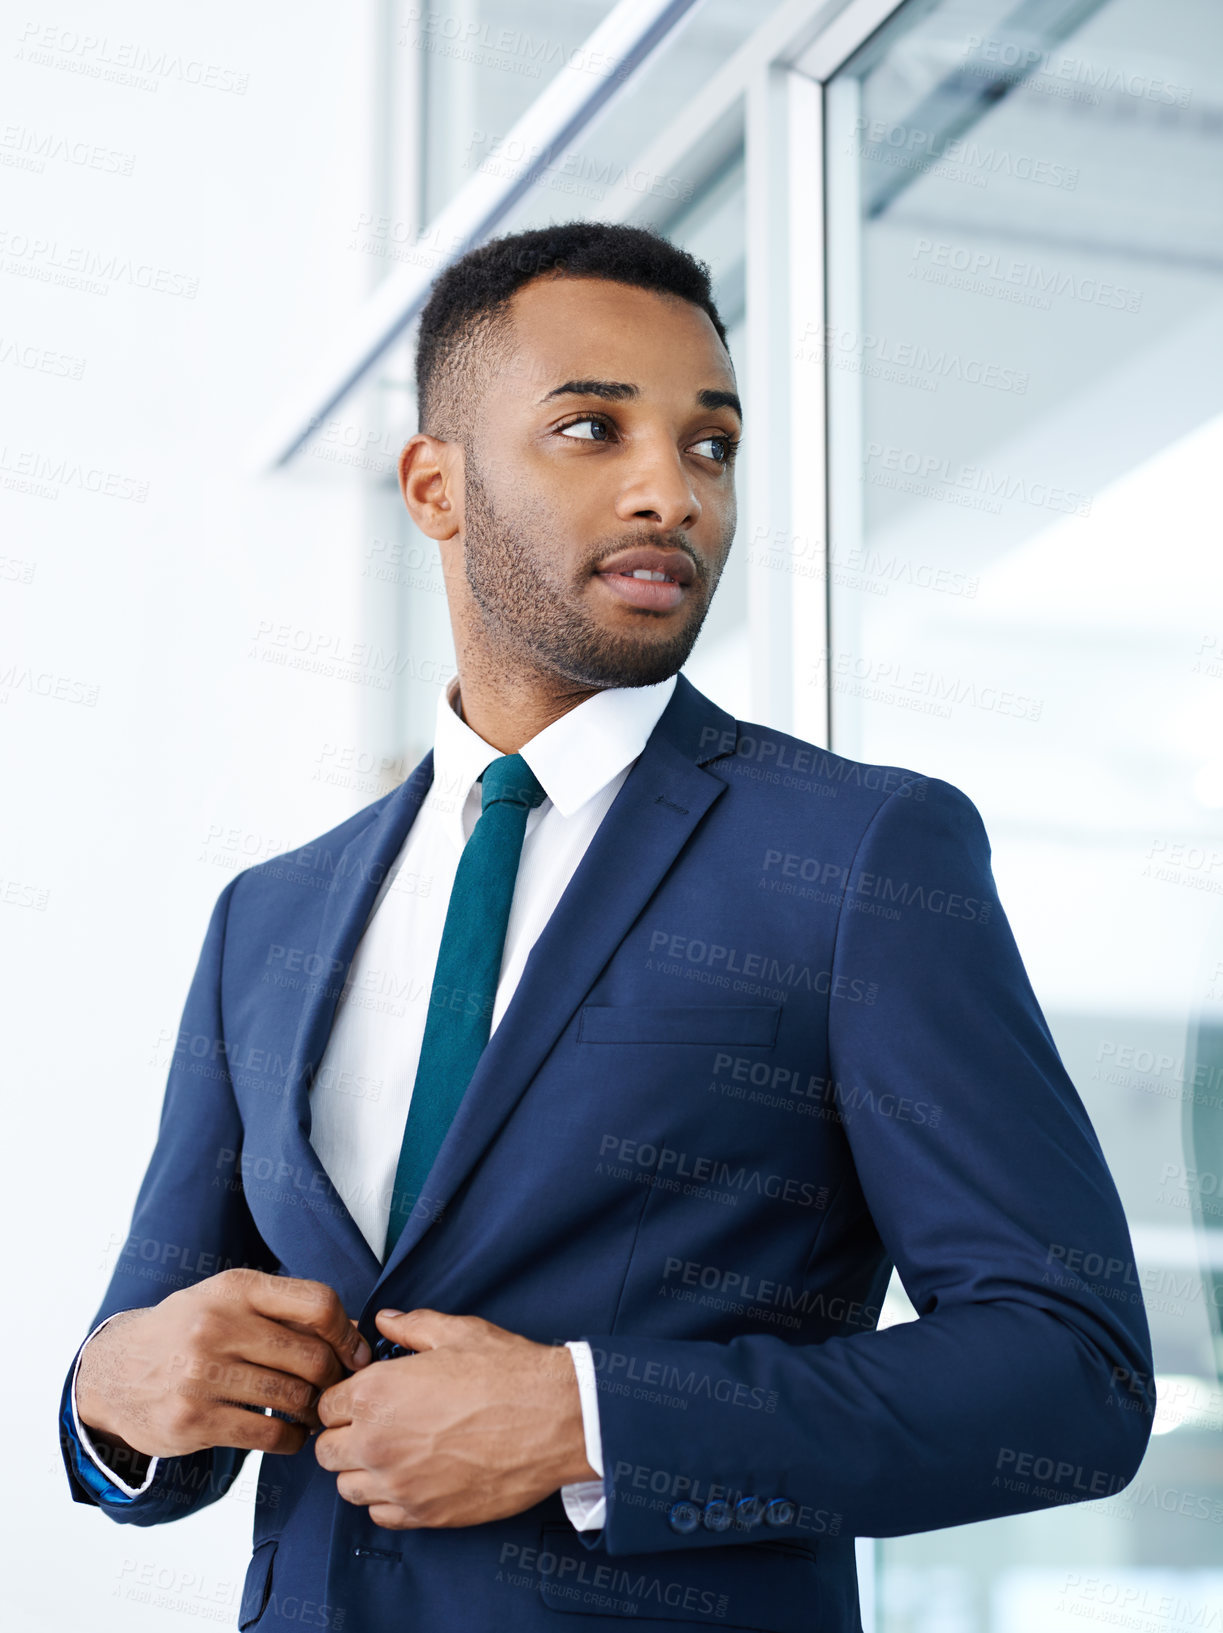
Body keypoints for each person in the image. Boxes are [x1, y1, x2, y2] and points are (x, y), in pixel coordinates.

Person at [59, 221, 1154, 1633]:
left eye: (711, 446)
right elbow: (153, 1372)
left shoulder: (861, 853)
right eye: (593, 428)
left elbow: (1068, 1374)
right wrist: (116, 1394)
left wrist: (589, 1418)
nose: (673, 492)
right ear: (435, 486)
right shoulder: (264, 917)